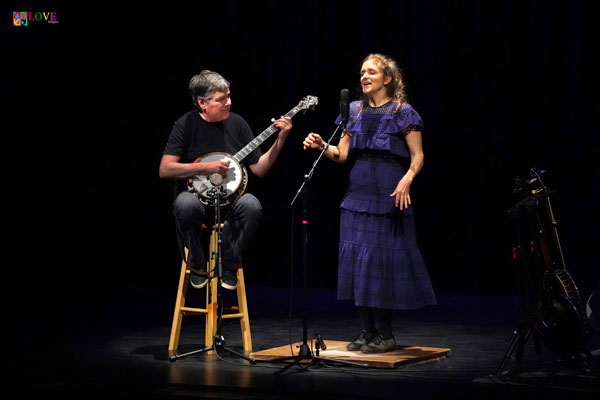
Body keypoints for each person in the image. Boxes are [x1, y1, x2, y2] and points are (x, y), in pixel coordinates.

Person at [302, 54, 436, 353]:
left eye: (371, 72)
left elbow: (418, 155)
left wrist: (407, 179)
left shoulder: (403, 111)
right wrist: (322, 146)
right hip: (357, 191)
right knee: (357, 261)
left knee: (381, 263)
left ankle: (385, 334)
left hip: (389, 191)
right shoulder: (354, 110)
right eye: (362, 71)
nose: (364, 76)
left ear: (387, 79)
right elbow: (342, 155)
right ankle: (367, 331)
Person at [159, 70, 292, 290]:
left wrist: (281, 138)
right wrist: (205, 168)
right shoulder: (186, 124)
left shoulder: (238, 123)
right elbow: (165, 169)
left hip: (231, 203)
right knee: (183, 204)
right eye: (222, 99)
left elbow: (259, 169)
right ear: (202, 103)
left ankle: (228, 263)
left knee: (252, 204)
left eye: (229, 96)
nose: (229, 103)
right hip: (198, 200)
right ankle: (198, 264)